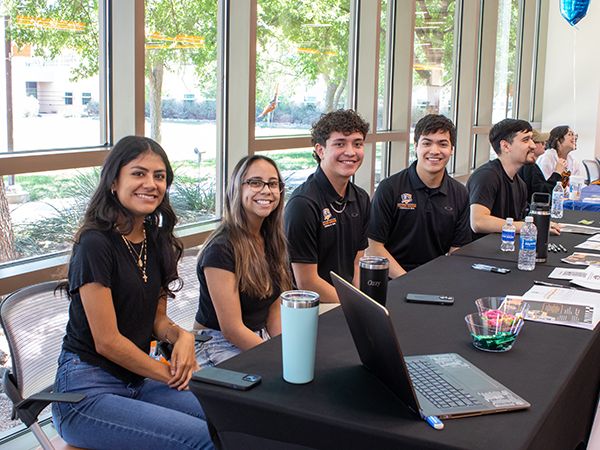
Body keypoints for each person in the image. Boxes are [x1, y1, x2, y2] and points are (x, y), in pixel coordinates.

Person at [52, 136, 214, 450]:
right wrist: (169, 373)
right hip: (86, 390)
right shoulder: (94, 244)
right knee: (204, 440)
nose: (151, 184)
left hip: (138, 380)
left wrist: (183, 337)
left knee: (232, 420)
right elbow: (107, 341)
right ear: (114, 182)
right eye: (138, 173)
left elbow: (158, 320)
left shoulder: (156, 239)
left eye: (159, 175)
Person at [194, 155, 292, 367]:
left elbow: (274, 311)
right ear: (237, 189)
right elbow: (232, 329)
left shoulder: (272, 239)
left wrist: (285, 349)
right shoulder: (220, 250)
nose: (266, 190)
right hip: (215, 343)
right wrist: (277, 359)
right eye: (255, 182)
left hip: (254, 337)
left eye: (273, 184)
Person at [367, 114, 471, 277]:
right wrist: (408, 280)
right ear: (416, 146)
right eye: (427, 143)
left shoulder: (460, 193)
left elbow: (457, 249)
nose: (434, 151)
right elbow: (373, 246)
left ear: (451, 150)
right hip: (393, 279)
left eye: (442, 144)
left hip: (437, 278)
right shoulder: (389, 188)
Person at [284, 109, 370, 303]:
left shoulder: (361, 198)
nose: (351, 152)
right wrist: (354, 306)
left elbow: (356, 264)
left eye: (357, 144)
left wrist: (360, 304)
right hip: (310, 307)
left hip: (345, 303)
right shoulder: (303, 204)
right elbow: (307, 282)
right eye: (340, 144)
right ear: (320, 150)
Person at [467, 118, 560, 239]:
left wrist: (540, 224)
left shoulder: (520, 184)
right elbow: (478, 222)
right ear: (505, 146)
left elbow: (519, 220)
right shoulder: (486, 176)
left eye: (531, 139)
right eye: (526, 140)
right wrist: (527, 227)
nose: (532, 145)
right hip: (477, 253)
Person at [517, 129, 566, 203]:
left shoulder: (529, 166)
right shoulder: (529, 166)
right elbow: (543, 196)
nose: (545, 144)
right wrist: (557, 173)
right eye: (541, 143)